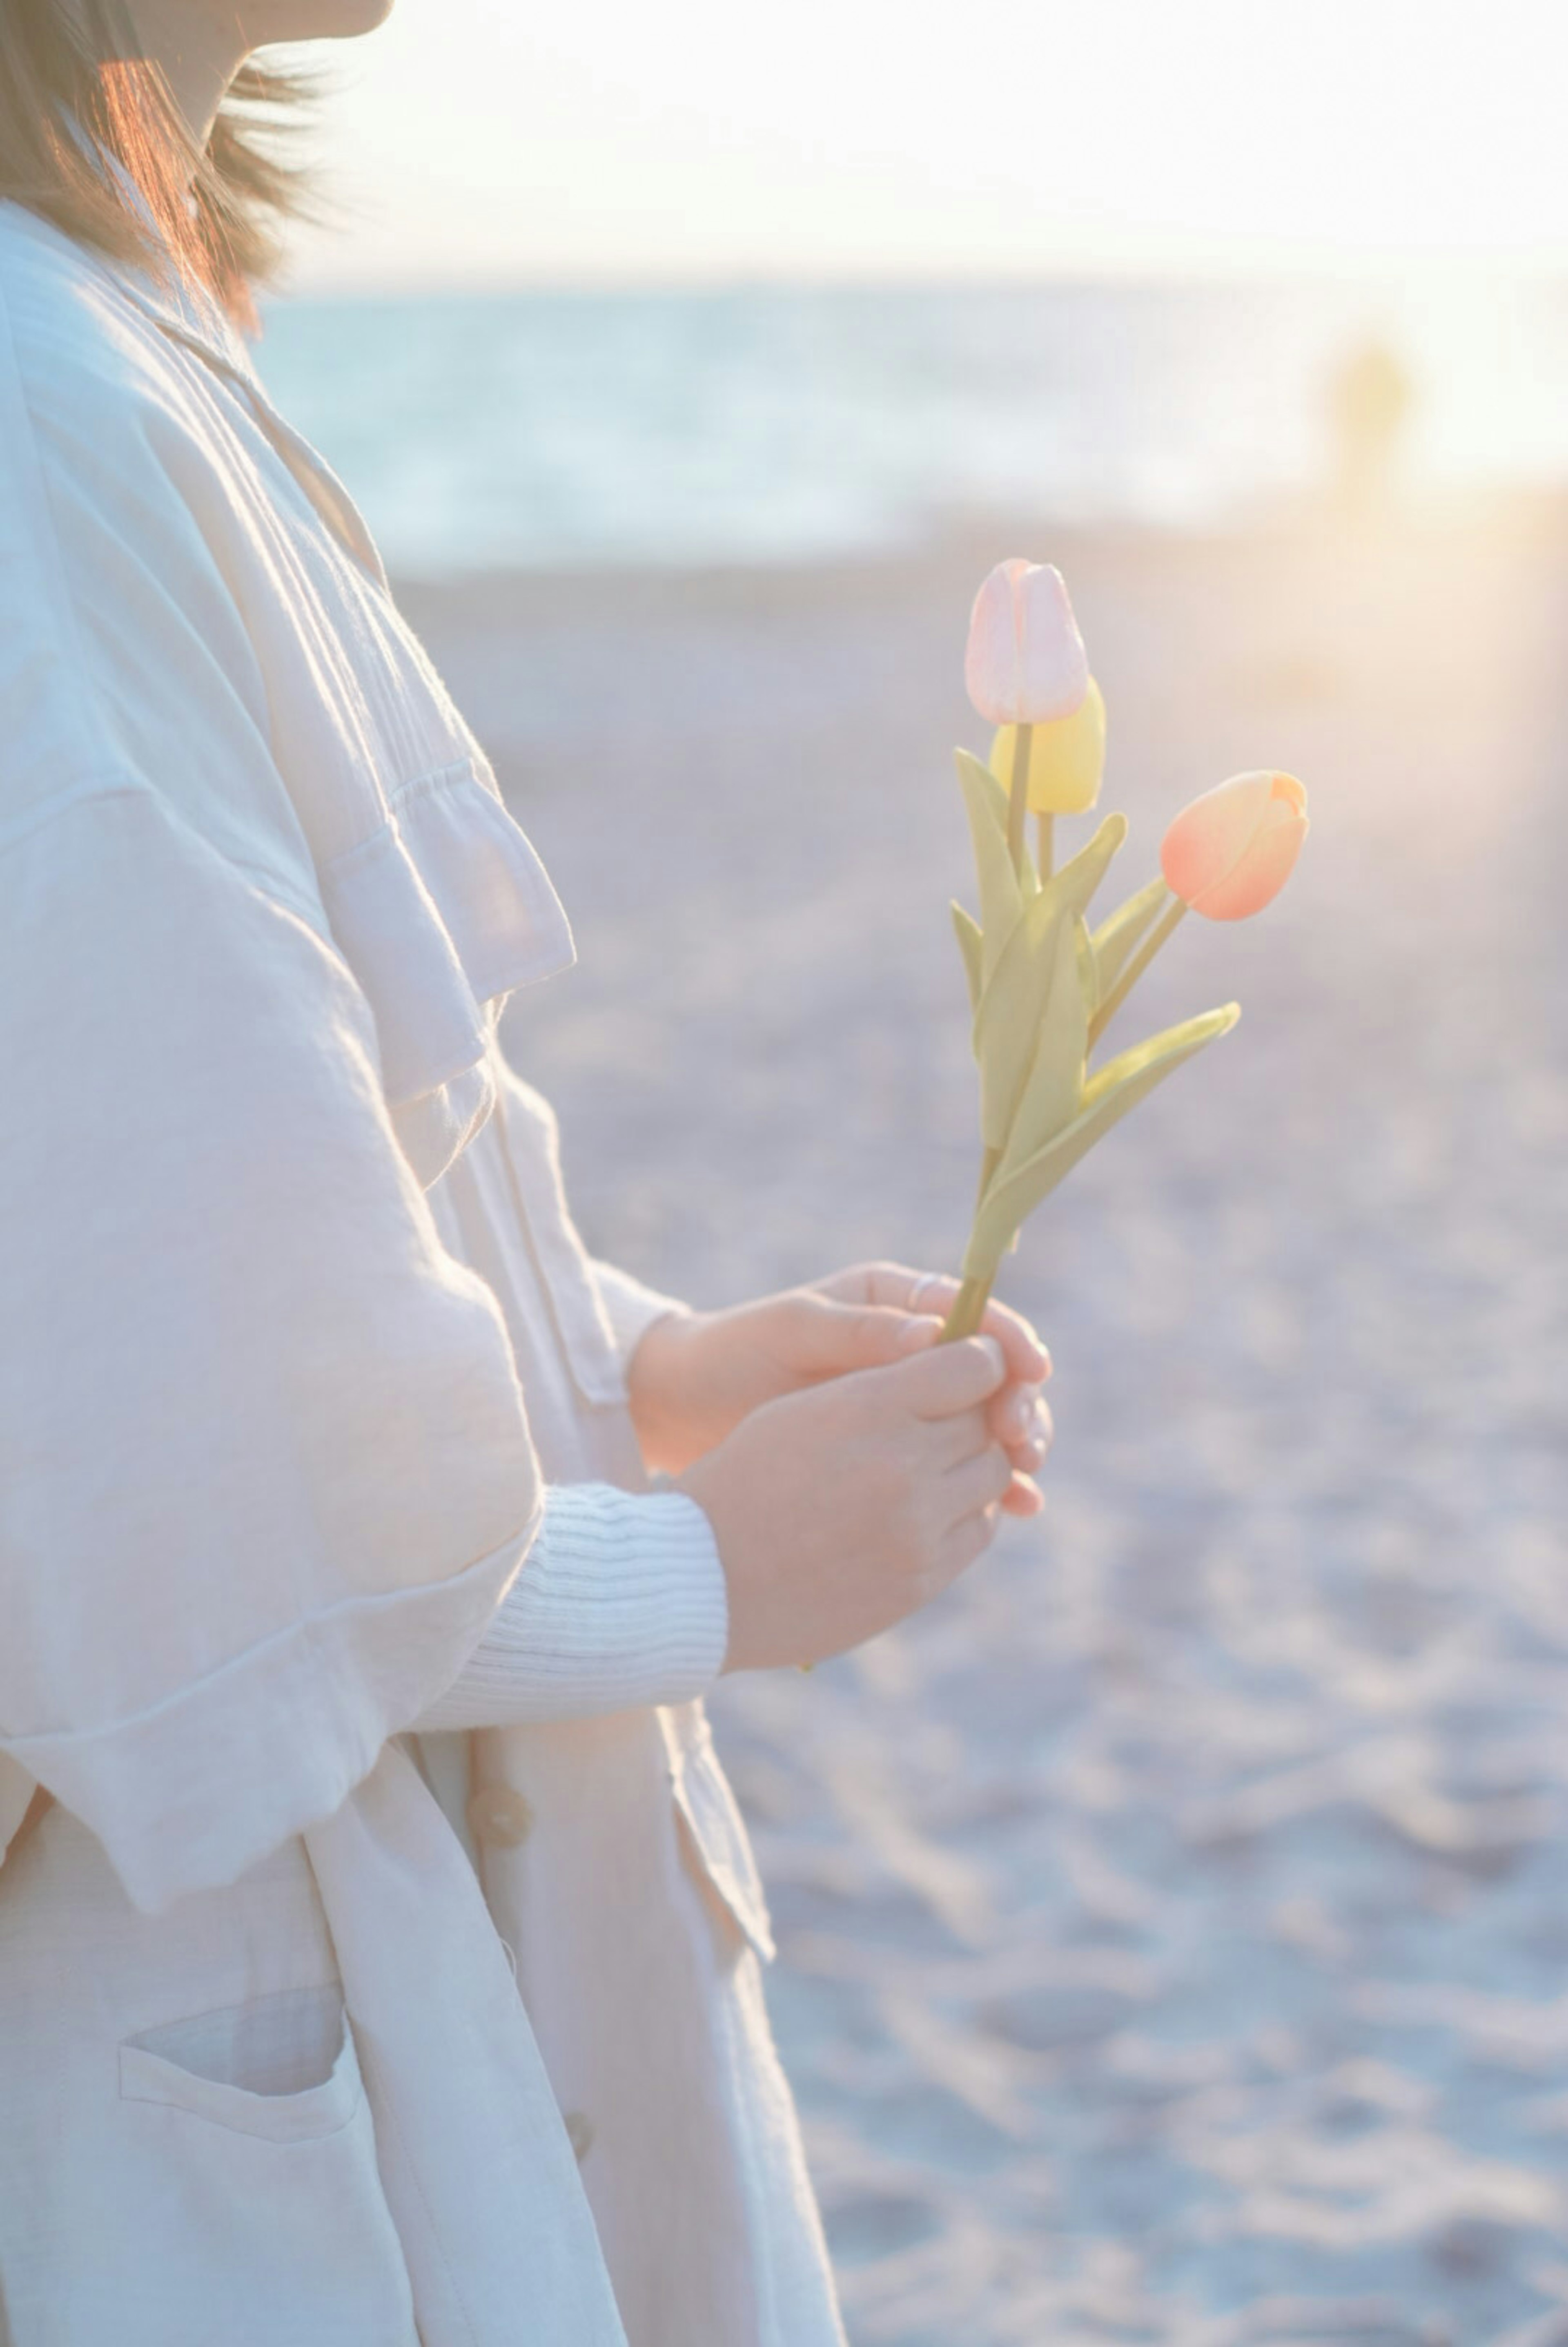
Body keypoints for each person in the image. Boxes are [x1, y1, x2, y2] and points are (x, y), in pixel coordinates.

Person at [0, 4, 1054, 2342]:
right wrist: (698, 1573)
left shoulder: (103, 304)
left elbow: (224, 1167)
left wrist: (640, 1358)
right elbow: (166, 1455)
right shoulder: (31, 410)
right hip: (213, 2015)